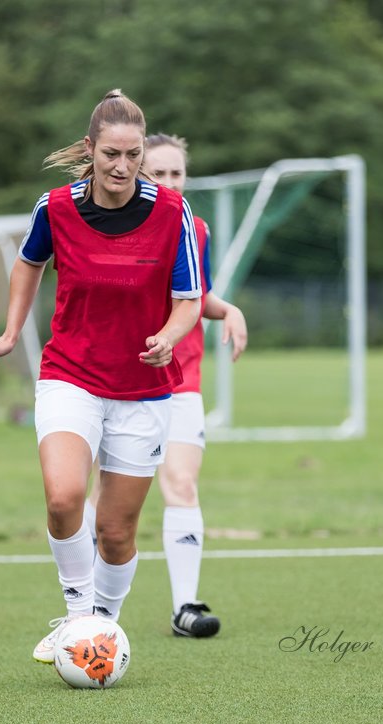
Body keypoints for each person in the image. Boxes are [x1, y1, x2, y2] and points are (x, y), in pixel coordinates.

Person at [0, 90, 202, 662]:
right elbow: (29, 263)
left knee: (117, 531)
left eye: (132, 156)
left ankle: (103, 625)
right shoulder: (54, 208)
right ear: (90, 150)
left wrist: (170, 337)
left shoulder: (172, 213)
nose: (122, 167)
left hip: (145, 391)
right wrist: (9, 333)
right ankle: (78, 618)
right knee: (63, 497)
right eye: (111, 155)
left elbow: (189, 299)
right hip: (70, 375)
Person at [84, 133, 247, 638]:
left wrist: (230, 309)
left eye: (177, 173)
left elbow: (198, 294)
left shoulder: (193, 227)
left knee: (181, 482)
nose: (169, 182)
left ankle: (186, 608)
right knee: (106, 501)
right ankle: (86, 611)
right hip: (118, 379)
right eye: (158, 173)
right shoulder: (113, 225)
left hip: (181, 382)